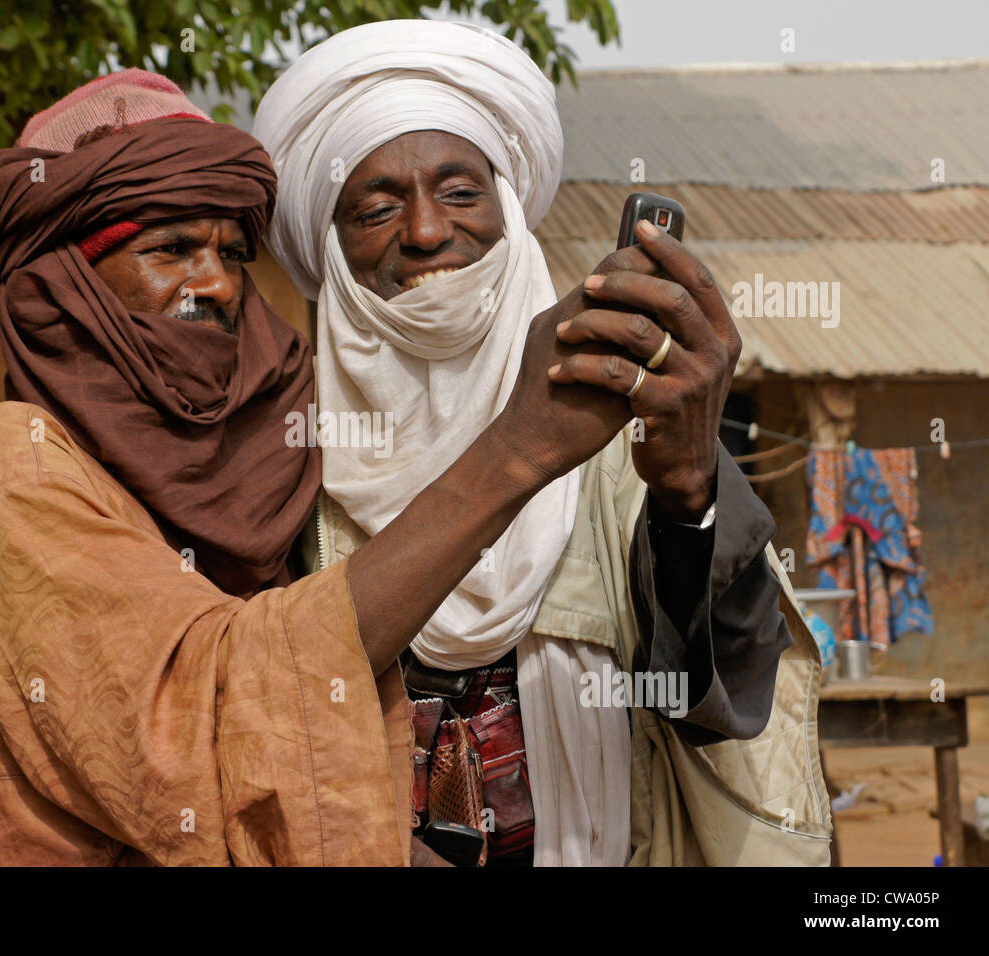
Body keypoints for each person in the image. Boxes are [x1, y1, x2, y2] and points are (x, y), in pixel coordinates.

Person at [0, 68, 653, 865]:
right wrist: (516, 454)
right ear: (66, 279)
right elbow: (202, 719)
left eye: (233, 251)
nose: (218, 284)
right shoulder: (14, 467)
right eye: (172, 251)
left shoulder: (271, 432)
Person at [253, 19, 832, 865]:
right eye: (374, 208)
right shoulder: (283, 450)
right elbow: (254, 708)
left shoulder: (619, 415)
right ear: (330, 250)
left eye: (459, 194)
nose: (422, 233)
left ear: (510, 211)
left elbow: (717, 696)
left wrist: (687, 491)